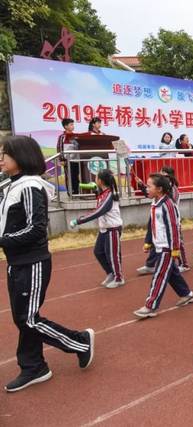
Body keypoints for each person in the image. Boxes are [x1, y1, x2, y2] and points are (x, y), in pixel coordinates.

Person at [0, 136, 95, 392]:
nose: (1, 159)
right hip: (17, 262)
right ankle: (34, 367)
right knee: (24, 318)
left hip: (32, 262)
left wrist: (3, 240)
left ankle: (80, 342)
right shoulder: (12, 184)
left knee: (28, 319)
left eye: (4, 154)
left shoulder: (30, 186)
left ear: (20, 157)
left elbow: (36, 228)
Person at [134, 173, 193, 318]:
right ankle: (187, 294)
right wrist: (148, 241)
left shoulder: (168, 205)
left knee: (160, 275)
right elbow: (152, 225)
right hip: (158, 245)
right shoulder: (155, 203)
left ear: (160, 189)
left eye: (149, 186)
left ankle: (150, 306)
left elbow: (173, 227)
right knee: (172, 274)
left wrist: (174, 249)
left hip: (167, 248)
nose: (147, 189)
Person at [69, 169, 124, 288]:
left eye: (96, 177)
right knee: (98, 252)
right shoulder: (103, 193)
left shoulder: (109, 195)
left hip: (112, 229)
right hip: (104, 228)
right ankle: (111, 273)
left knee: (112, 254)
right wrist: (95, 190)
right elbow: (100, 202)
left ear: (100, 180)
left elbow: (98, 211)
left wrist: (79, 221)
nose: (94, 179)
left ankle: (118, 278)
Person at [56, 118, 80, 194]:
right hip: (67, 160)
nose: (73, 126)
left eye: (73, 124)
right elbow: (59, 148)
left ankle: (76, 191)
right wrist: (62, 160)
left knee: (76, 176)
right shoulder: (62, 136)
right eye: (71, 124)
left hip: (76, 159)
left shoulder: (76, 136)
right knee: (69, 176)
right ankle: (70, 192)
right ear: (66, 126)